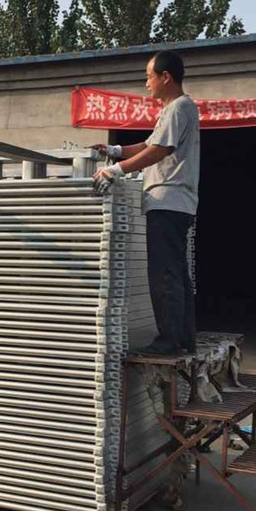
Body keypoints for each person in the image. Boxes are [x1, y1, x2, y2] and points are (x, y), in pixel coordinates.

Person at [93, 50, 200, 356]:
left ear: (166, 77)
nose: (146, 83)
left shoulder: (178, 107)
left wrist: (116, 170)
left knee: (164, 273)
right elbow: (150, 144)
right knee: (177, 271)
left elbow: (159, 150)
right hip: (176, 202)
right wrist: (117, 150)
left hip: (168, 198)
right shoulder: (175, 109)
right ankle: (183, 337)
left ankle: (168, 340)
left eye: (149, 76)